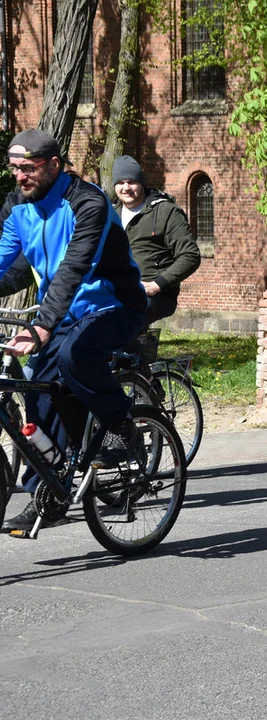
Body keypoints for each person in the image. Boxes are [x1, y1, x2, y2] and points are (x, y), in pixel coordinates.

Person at [0, 129, 146, 532]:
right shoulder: (17, 207)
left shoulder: (88, 202)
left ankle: (122, 427)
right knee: (37, 391)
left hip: (114, 305)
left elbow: (75, 267)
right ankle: (47, 492)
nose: (19, 177)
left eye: (27, 169)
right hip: (62, 315)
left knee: (74, 355)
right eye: (13, 169)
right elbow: (5, 265)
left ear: (53, 165)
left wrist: (43, 325)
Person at [111, 155, 201, 326]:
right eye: (121, 183)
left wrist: (156, 285)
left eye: (131, 182)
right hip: (117, 291)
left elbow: (190, 255)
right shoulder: (110, 214)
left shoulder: (165, 212)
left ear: (141, 183)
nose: (126, 188)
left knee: (123, 319)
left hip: (156, 293)